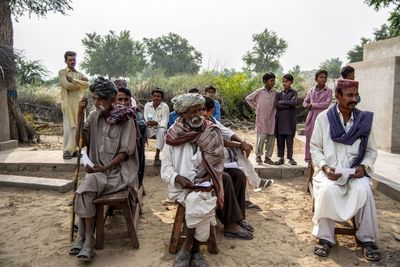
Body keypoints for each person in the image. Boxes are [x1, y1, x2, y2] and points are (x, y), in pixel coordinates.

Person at [69, 77, 139, 262]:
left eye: (100, 99)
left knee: (86, 187)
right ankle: (85, 240)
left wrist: (105, 167)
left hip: (119, 173)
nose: (96, 102)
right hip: (98, 173)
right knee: (87, 187)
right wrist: (79, 113)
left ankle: (85, 239)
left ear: (112, 99)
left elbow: (126, 152)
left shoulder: (127, 119)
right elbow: (79, 142)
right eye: (94, 99)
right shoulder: (93, 116)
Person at [311, 79, 380, 261]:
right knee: (326, 190)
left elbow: (372, 150)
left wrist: (363, 166)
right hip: (330, 173)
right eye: (349, 95)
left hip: (355, 173)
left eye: (356, 95)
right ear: (338, 96)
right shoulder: (324, 118)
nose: (354, 99)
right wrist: (325, 167)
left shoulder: (364, 120)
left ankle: (366, 239)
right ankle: (325, 237)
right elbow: (315, 148)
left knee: (364, 190)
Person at [161, 93, 225, 267]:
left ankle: (189, 248)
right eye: (193, 111)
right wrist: (178, 178)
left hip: (206, 184)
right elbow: (165, 169)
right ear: (182, 114)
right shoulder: (173, 135)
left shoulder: (211, 131)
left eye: (200, 110)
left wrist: (206, 177)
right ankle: (194, 250)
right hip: (181, 188)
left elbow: (219, 161)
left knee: (200, 197)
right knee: (197, 199)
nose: (199, 115)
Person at [202, 96, 274, 191]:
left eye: (206, 110)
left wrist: (242, 142)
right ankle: (256, 182)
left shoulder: (212, 120)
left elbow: (226, 132)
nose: (203, 113)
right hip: (205, 155)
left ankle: (253, 186)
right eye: (202, 110)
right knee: (237, 154)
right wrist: (240, 145)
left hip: (214, 152)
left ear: (212, 110)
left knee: (239, 161)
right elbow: (219, 140)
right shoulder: (200, 122)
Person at [58, 51, 89, 159]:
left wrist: (74, 80)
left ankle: (76, 150)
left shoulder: (79, 74)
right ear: (65, 61)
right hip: (68, 104)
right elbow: (67, 85)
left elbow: (87, 84)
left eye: (74, 59)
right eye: (70, 60)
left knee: (79, 127)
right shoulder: (62, 72)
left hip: (80, 104)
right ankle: (67, 151)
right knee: (69, 128)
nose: (72, 62)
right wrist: (80, 83)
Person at [115, 86, 147, 186]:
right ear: (114, 100)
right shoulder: (110, 115)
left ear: (130, 100)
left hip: (132, 147)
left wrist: (131, 121)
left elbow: (142, 124)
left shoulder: (135, 112)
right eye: (120, 99)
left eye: (126, 100)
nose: (123, 103)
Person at [245, 72, 278, 165]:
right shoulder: (259, 91)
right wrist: (257, 107)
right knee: (261, 138)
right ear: (265, 81)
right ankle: (258, 156)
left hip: (272, 119)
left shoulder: (276, 92)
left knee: (271, 139)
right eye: (271, 80)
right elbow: (248, 98)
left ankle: (267, 157)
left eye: (274, 80)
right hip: (261, 118)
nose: (273, 82)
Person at [303, 70, 332, 164]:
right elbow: (305, 101)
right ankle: (309, 160)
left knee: (322, 140)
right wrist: (306, 105)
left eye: (325, 77)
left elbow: (326, 104)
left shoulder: (328, 91)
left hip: (323, 119)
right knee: (310, 139)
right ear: (316, 79)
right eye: (321, 77)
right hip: (311, 118)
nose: (323, 79)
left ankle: (321, 161)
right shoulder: (311, 91)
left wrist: (313, 105)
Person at [274, 74, 298, 165]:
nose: (284, 83)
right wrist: (288, 104)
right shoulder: (279, 93)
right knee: (280, 141)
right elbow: (276, 105)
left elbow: (294, 102)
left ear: (291, 82)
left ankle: (290, 158)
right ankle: (281, 158)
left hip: (290, 121)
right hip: (280, 120)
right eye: (283, 81)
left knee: (289, 141)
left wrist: (282, 102)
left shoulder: (294, 92)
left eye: (286, 81)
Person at [144, 88, 170, 166]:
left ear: (162, 98)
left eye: (158, 96)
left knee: (161, 131)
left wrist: (156, 123)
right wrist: (149, 123)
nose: (156, 98)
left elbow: (165, 121)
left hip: (160, 127)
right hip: (149, 127)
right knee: (142, 130)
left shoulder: (165, 106)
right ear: (152, 97)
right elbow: (145, 117)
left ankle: (157, 156)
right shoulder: (147, 105)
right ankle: (142, 154)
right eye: (154, 96)